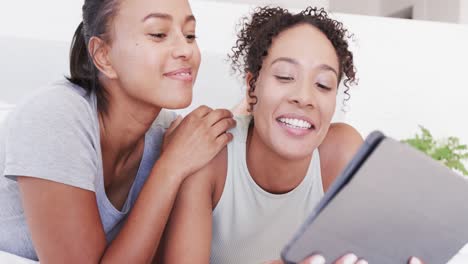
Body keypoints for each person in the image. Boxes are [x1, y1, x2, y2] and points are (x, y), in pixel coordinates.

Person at [159, 6, 423, 264]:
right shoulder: (210, 154)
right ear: (252, 88)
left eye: (323, 84)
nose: (304, 97)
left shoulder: (342, 154)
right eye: (285, 77)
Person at [0, 0, 235, 262]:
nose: (186, 50)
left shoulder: (168, 133)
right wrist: (170, 168)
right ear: (103, 55)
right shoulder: (53, 118)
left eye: (190, 35)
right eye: (158, 33)